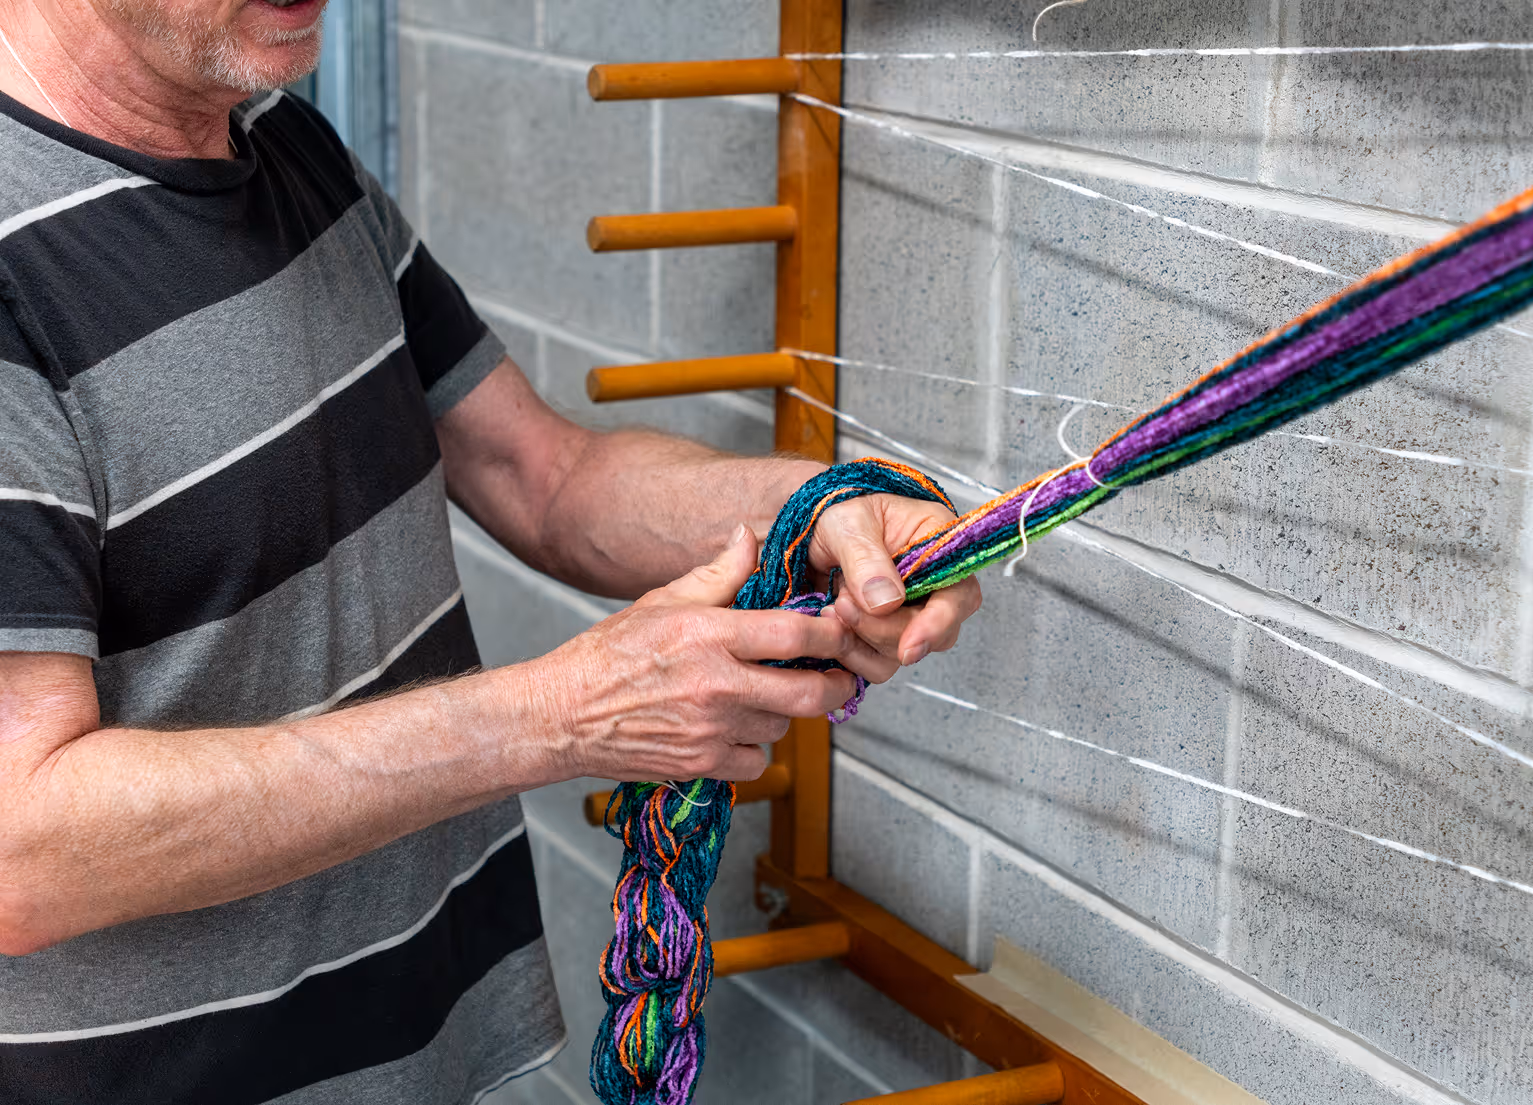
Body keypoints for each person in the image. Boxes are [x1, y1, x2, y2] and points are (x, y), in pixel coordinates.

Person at [0, 0, 982, 1101]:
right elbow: (21, 845)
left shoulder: (283, 145)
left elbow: (541, 475)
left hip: (419, 1061)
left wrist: (815, 506)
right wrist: (561, 715)